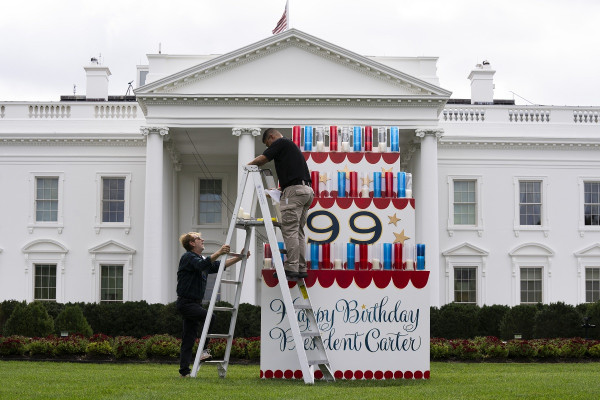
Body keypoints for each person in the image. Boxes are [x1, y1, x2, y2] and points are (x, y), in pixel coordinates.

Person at [176, 232, 247, 378]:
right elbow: (203, 264)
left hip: (194, 303)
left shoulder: (201, 259)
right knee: (210, 316)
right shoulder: (188, 257)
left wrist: (239, 258)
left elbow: (218, 266)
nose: (202, 239)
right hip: (186, 303)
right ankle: (204, 351)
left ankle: (184, 372)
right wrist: (220, 251)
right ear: (191, 243)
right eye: (198, 238)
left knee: (188, 338)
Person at [248, 128, 314, 280]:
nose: (268, 147)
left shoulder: (280, 142)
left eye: (267, 144)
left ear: (271, 137)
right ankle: (300, 267)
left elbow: (262, 159)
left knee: (290, 231)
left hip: (295, 192)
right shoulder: (291, 146)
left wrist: (248, 166)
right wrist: (279, 189)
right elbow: (295, 175)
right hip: (306, 191)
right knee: (298, 232)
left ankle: (291, 268)